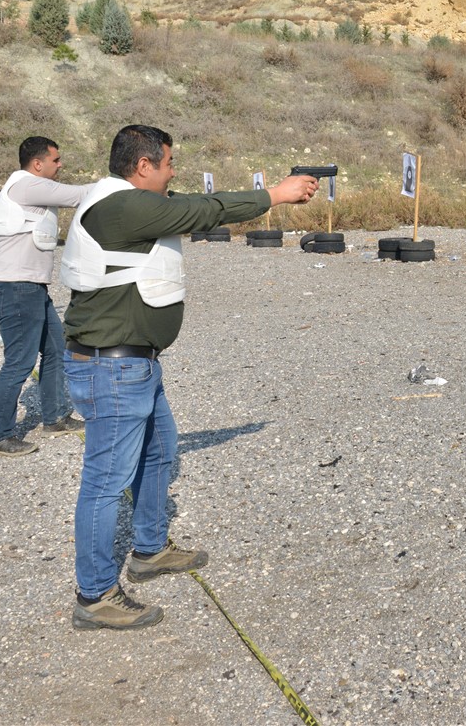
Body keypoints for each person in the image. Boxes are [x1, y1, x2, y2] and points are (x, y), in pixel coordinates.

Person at [60, 124, 316, 630]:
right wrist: (275, 196)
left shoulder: (120, 199)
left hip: (134, 363)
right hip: (112, 366)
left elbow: (198, 201)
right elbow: (204, 210)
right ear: (144, 166)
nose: (174, 171)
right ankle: (93, 596)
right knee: (106, 483)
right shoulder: (123, 207)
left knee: (160, 453)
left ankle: (150, 550)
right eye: (169, 163)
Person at [0, 137, 92, 457]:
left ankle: (55, 418)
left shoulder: (28, 185)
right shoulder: (27, 185)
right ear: (38, 163)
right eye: (56, 160)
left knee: (57, 349)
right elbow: (80, 194)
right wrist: (120, 181)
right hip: (15, 288)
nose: (60, 166)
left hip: (29, 288)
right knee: (20, 362)